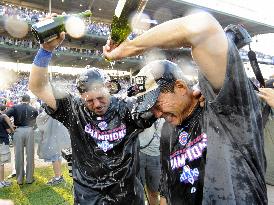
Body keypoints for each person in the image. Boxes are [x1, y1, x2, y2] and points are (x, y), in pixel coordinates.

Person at [103, 11, 269, 204]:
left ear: (180, 87)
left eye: (157, 103)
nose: (156, 114)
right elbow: (167, 190)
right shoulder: (168, 131)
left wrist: (129, 47)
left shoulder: (224, 110)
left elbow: (200, 26)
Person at [5, 94, 38, 185]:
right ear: (29, 100)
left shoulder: (15, 107)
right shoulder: (34, 109)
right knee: (30, 155)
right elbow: (36, 122)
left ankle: (19, 179)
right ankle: (29, 179)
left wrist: (11, 126)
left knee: (18, 155)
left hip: (18, 130)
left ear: (21, 99)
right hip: (30, 130)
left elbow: (5, 116)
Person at [36, 108, 71, 186]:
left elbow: (39, 119)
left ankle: (57, 177)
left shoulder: (49, 112)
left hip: (52, 136)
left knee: (54, 156)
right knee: (57, 155)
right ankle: (59, 176)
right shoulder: (60, 110)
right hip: (58, 135)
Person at [138, 118, 165, 205]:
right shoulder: (144, 107)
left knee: (154, 192)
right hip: (139, 153)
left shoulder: (166, 111)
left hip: (156, 157)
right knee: (139, 192)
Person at [0, 105, 14, 188]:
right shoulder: (2, 118)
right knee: (1, 164)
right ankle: (1, 182)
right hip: (2, 142)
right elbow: (9, 131)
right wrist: (11, 124)